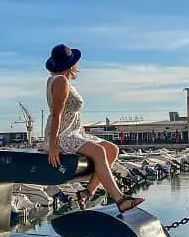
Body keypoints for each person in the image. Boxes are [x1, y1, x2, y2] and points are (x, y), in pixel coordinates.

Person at [43, 44, 144, 213]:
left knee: (111, 149)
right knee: (98, 151)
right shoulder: (60, 81)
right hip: (64, 134)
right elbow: (56, 115)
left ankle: (88, 191)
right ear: (72, 64)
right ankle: (120, 200)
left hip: (73, 132)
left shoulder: (60, 79)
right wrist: (53, 144)